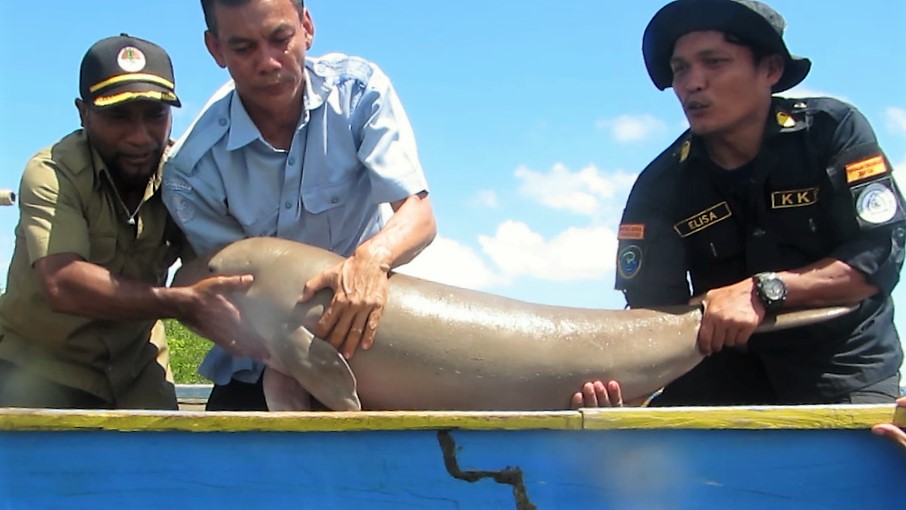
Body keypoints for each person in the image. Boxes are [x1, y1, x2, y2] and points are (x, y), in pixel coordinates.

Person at [612, 0, 905, 406]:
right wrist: (618, 385)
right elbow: (653, 316)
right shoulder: (661, 184)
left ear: (770, 70)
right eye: (681, 69)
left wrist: (763, 291)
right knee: (627, 442)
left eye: (714, 62)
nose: (693, 83)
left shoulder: (831, 132)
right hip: (721, 374)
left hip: (841, 370)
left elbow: (878, 259)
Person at [162, 0, 438, 411]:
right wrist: (285, 360)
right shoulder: (191, 171)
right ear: (216, 50)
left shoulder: (359, 92)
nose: (268, 62)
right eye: (243, 48)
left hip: (370, 336)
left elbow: (418, 215)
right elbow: (238, 286)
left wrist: (372, 259)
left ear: (306, 27)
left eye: (280, 38)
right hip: (258, 357)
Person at [0, 34, 266, 410]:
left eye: (155, 115)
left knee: (167, 464)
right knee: (32, 459)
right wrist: (180, 303)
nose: (140, 137)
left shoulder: (185, 178)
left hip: (134, 368)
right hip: (42, 365)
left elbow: (218, 264)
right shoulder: (53, 173)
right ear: (82, 112)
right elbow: (62, 282)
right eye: (118, 116)